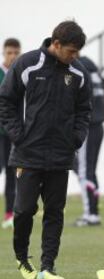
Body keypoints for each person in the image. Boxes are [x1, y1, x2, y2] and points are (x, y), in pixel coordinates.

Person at [0, 21, 91, 279]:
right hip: (28, 154)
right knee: (24, 210)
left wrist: (76, 138)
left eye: (77, 53)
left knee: (54, 212)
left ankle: (47, 266)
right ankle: (21, 257)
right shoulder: (27, 64)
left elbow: (85, 110)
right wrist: (19, 135)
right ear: (57, 44)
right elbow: (5, 101)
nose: (74, 57)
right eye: (71, 51)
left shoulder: (78, 73)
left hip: (61, 156)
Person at [73, 55, 104, 227]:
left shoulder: (78, 68)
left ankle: (90, 214)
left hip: (88, 125)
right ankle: (93, 211)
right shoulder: (92, 67)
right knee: (88, 170)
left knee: (84, 170)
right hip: (98, 125)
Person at [0, 38, 21, 229]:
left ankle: (9, 214)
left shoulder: (22, 75)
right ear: (3, 53)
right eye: (9, 53)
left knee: (11, 173)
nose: (13, 56)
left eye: (16, 53)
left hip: (13, 133)